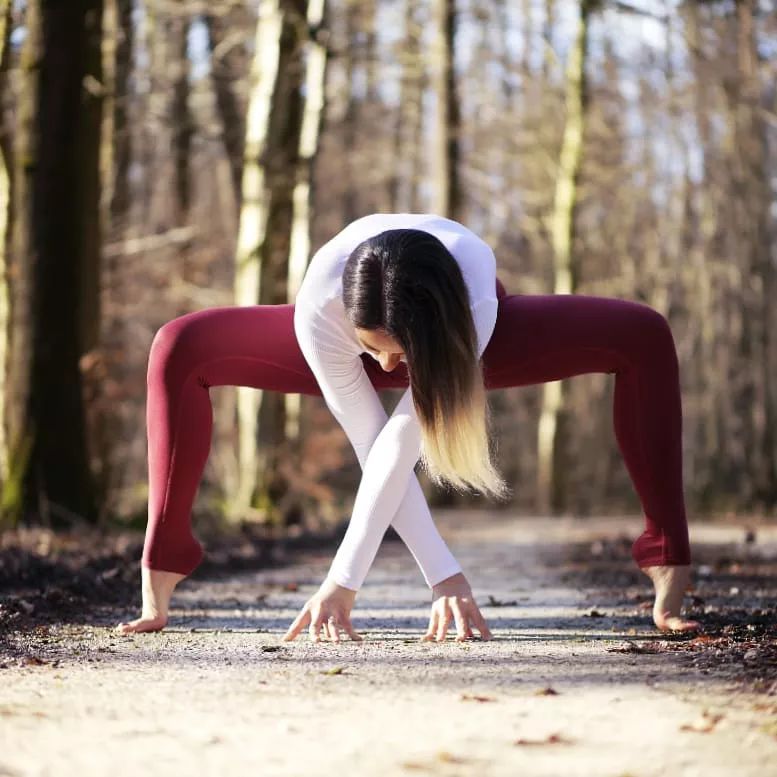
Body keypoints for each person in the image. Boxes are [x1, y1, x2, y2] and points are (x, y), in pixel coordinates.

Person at [117, 213, 700, 641]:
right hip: (331, 333)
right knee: (179, 343)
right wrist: (441, 574)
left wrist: (350, 582)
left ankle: (667, 563)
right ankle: (160, 575)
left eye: (399, 356)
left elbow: (403, 443)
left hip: (466, 331)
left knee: (643, 333)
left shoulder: (467, 306)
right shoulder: (324, 308)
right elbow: (374, 446)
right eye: (375, 351)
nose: (387, 371)